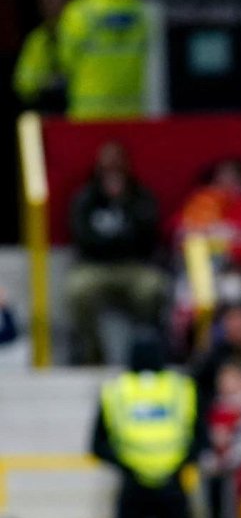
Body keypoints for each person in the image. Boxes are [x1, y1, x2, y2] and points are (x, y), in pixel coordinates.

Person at [91, 329, 202, 518]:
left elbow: (98, 445)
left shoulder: (116, 390)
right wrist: (177, 465)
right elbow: (200, 438)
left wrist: (129, 467)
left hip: (140, 483)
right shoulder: (181, 387)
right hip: (167, 483)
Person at [66, 141, 167, 365]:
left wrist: (123, 204)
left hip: (133, 266)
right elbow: (82, 239)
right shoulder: (85, 198)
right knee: (78, 289)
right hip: (95, 266)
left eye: (117, 163)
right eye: (106, 164)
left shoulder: (140, 197)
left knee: (152, 287)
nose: (112, 169)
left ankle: (144, 349)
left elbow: (149, 237)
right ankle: (92, 352)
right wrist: (120, 240)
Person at [58, 0, 148, 120]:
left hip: (89, 112)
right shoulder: (139, 10)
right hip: (132, 112)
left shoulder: (79, 12)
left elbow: (66, 61)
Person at [13, 0, 71, 113]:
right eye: (47, 0)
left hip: (77, 111)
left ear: (68, 1)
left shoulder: (79, 32)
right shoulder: (37, 39)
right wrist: (47, 82)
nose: (52, 5)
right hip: (46, 110)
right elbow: (23, 83)